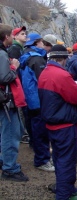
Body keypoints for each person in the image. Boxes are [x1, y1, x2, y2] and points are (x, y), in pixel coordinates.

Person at [38, 45, 77, 200]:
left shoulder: (45, 72)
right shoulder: (61, 75)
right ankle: (63, 195)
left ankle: (69, 189)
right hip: (64, 124)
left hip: (51, 123)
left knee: (60, 158)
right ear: (63, 58)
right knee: (67, 160)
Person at [19, 33, 55, 171]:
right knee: (41, 131)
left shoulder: (25, 56)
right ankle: (42, 160)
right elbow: (43, 82)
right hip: (37, 101)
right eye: (41, 42)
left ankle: (40, 154)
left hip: (28, 99)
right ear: (37, 43)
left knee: (34, 129)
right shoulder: (37, 59)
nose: (43, 44)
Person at [0, 23, 29, 182]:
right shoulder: (2, 54)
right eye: (11, 35)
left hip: (6, 100)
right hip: (6, 101)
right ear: (6, 37)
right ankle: (10, 168)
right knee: (11, 133)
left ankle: (6, 162)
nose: (13, 36)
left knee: (10, 131)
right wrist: (14, 67)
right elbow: (4, 77)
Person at [7, 26, 30, 144]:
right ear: (14, 36)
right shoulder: (15, 49)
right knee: (18, 110)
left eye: (25, 33)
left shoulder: (19, 48)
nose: (25, 35)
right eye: (21, 34)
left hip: (18, 82)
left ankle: (22, 133)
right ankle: (22, 134)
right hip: (16, 83)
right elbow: (13, 68)